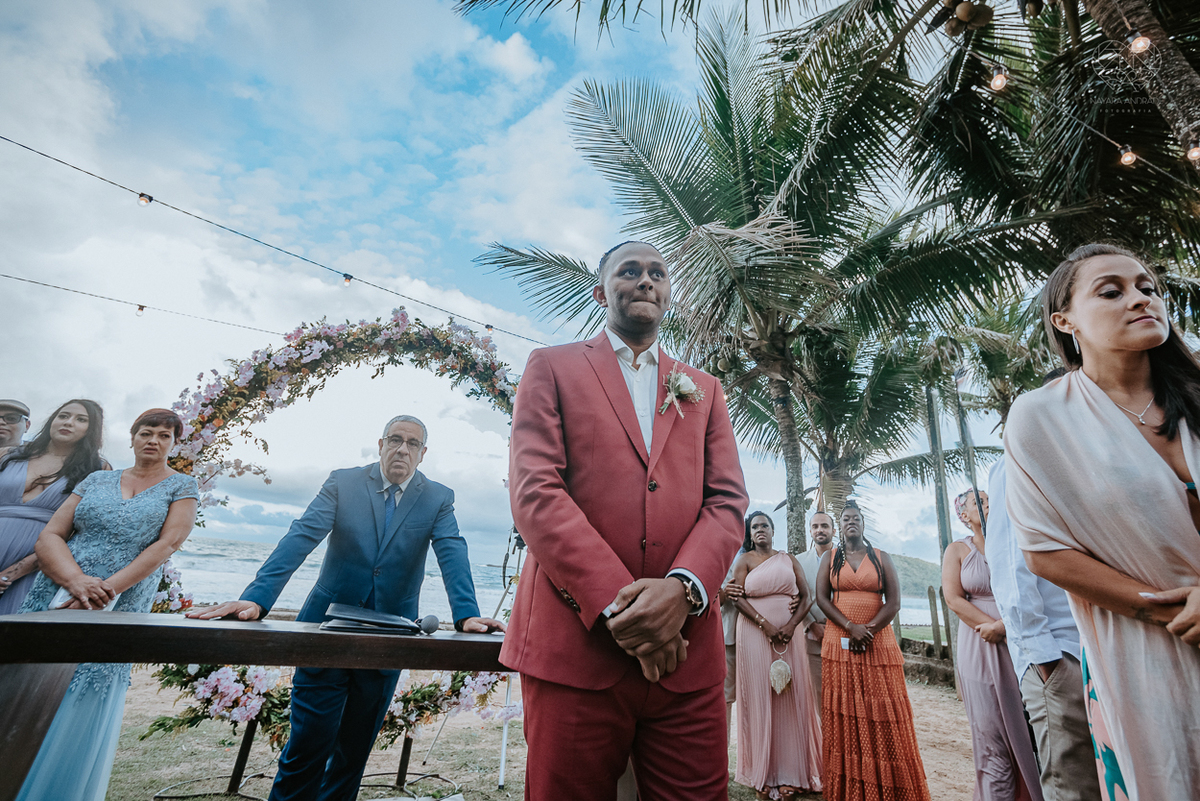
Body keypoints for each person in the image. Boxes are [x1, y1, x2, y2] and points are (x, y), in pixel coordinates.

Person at [502, 240, 748, 800]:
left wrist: (681, 593)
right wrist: (630, 611)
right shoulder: (552, 367)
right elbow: (536, 491)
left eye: (657, 274)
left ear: (668, 296)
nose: (645, 281)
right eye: (629, 271)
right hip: (576, 651)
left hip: (686, 658)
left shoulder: (705, 390)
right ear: (600, 290)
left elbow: (728, 501)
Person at [189, 414, 504, 801]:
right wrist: (257, 598)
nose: (402, 449)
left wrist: (466, 614)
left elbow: (452, 550)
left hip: (390, 638)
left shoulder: (438, 497)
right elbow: (300, 536)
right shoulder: (344, 482)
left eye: (412, 443)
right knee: (307, 748)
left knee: (352, 756)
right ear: (380, 444)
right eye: (395, 439)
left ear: (423, 453)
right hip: (326, 632)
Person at [1005, 243, 1200, 799]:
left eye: (1148, 287)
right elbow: (1044, 550)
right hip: (1140, 647)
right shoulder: (1042, 418)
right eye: (1111, 291)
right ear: (1064, 321)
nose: (1140, 299)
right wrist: (1163, 606)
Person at [16, 408, 199, 801]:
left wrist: (106, 590)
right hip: (57, 588)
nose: (154, 441)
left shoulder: (181, 486)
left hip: (121, 598)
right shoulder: (97, 478)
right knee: (29, 677)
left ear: (173, 443)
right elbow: (51, 534)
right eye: (146, 433)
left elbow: (166, 545)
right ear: (131, 437)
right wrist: (75, 581)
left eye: (164, 436)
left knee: (87, 682)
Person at [988, 444, 1101, 801]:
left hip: (1104, 647)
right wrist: (1045, 660)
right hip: (1060, 651)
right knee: (1072, 783)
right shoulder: (1016, 464)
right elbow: (1009, 565)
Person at [816, 500, 930, 801]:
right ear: (840, 526)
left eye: (855, 518)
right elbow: (822, 599)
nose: (850, 522)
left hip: (877, 642)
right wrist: (850, 626)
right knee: (847, 711)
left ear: (863, 524)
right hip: (839, 642)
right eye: (845, 519)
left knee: (881, 708)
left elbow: (893, 603)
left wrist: (868, 631)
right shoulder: (830, 558)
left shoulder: (881, 558)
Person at [942, 489, 1043, 801]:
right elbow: (954, 598)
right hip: (980, 644)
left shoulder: (1013, 545)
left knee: (1029, 727)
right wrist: (990, 628)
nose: (986, 504)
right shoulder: (958, 550)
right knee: (990, 732)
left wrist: (1005, 627)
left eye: (988, 499)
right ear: (964, 515)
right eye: (978, 502)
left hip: (1019, 640)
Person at [730, 511, 822, 799]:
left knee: (791, 699)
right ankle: (764, 775)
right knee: (760, 698)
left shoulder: (788, 559)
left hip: (789, 635)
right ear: (750, 533)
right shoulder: (743, 561)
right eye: (755, 526)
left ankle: (792, 773)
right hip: (755, 634)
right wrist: (766, 625)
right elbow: (737, 597)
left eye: (765, 525)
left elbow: (807, 597)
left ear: (772, 530)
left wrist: (791, 625)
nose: (760, 530)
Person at [0, 399, 108, 614]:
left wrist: (10, 575)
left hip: (38, 567)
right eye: (63, 416)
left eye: (81, 419)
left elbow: (79, 533)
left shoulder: (98, 470)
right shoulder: (7, 455)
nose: (68, 422)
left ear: (91, 429)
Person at [719, 522, 754, 737]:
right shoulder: (722, 554)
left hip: (759, 633)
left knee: (757, 695)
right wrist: (724, 591)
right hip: (729, 632)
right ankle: (723, 756)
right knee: (726, 696)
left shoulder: (760, 556)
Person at [797, 511, 835, 700]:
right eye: (815, 526)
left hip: (843, 636)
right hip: (813, 637)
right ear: (810, 531)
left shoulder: (846, 558)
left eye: (824, 526)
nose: (820, 530)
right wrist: (810, 625)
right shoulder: (798, 561)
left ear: (834, 531)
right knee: (818, 696)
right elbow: (794, 597)